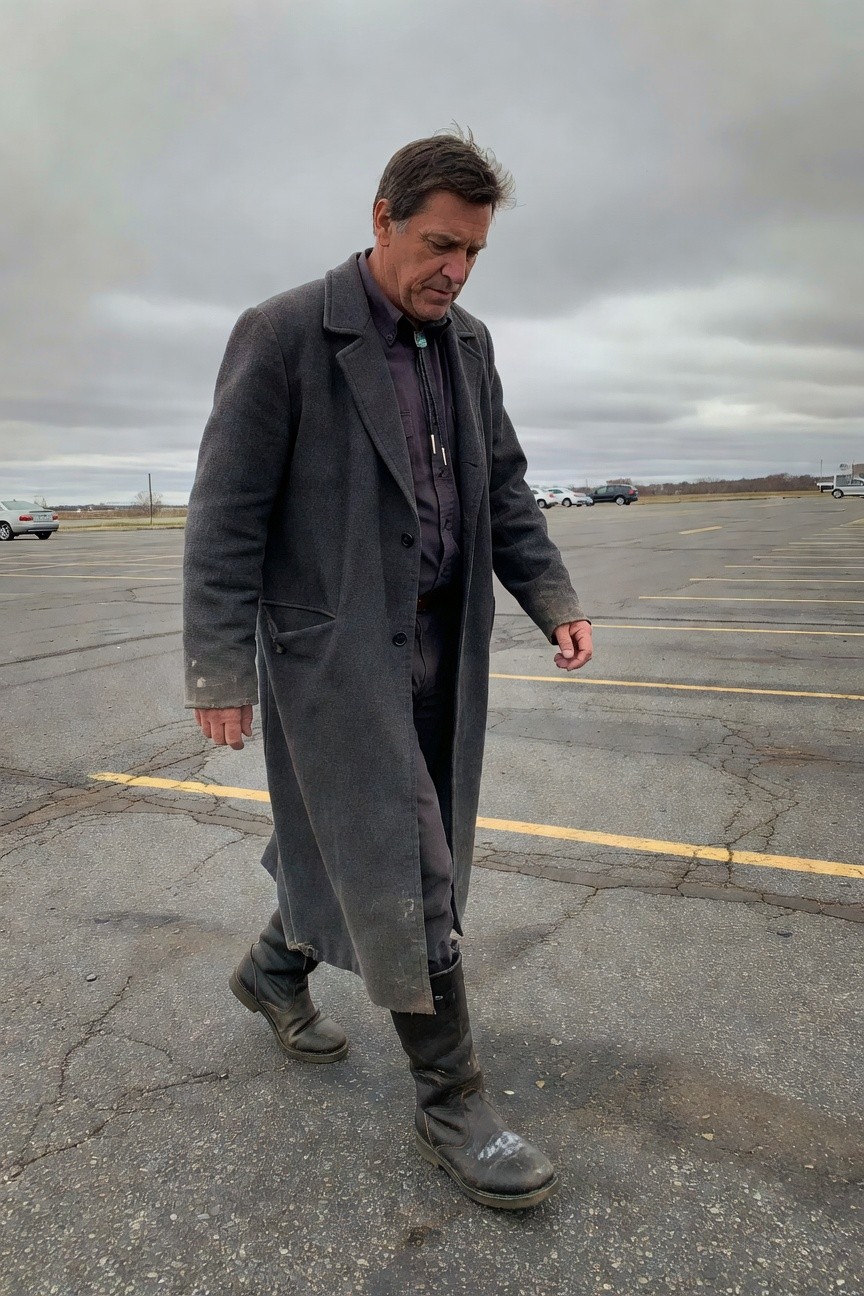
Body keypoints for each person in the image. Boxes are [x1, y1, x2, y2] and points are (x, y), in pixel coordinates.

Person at [183, 130, 592, 1210]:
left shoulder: (468, 345)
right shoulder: (282, 336)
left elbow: (501, 487)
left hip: (437, 648)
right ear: (382, 218)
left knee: (351, 837)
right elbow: (224, 519)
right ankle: (453, 1100)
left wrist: (552, 596)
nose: (453, 271)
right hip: (333, 659)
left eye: (472, 254)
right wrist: (218, 668)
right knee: (413, 869)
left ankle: (274, 967)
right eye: (438, 245)